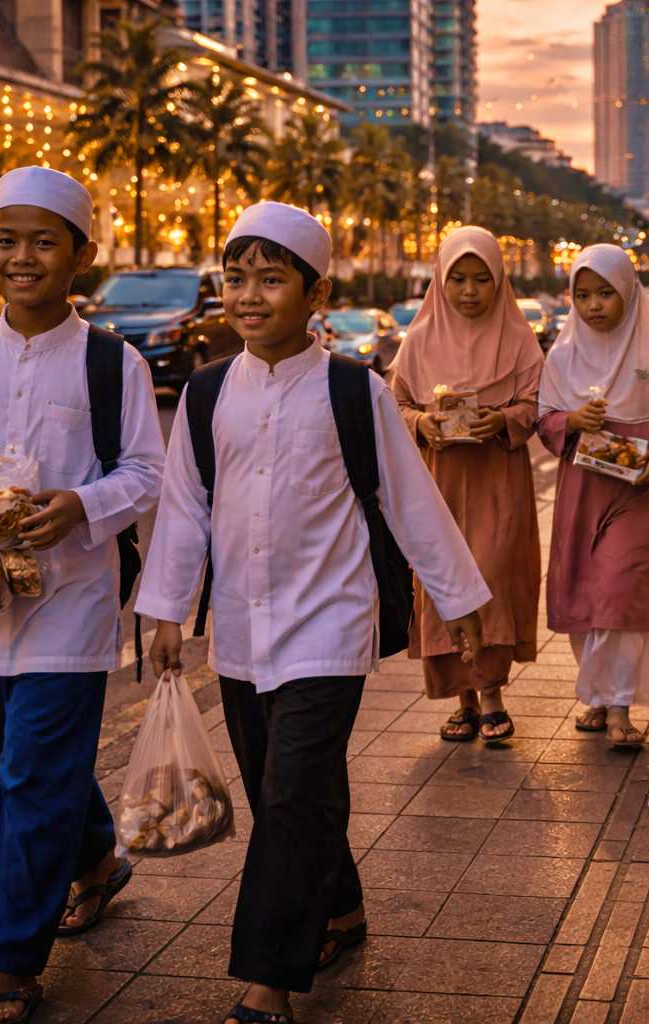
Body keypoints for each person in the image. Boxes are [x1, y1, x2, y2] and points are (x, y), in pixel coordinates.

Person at [136, 201, 491, 1024]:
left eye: (270, 278)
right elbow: (184, 509)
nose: (250, 296)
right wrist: (163, 611)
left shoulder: (351, 390)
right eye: (237, 278)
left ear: (314, 291)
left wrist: (461, 598)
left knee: (294, 792)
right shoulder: (206, 393)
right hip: (238, 629)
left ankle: (269, 981)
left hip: (330, 624)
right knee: (281, 793)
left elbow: (411, 501)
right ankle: (340, 910)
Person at [0, 166, 165, 1023]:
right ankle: (95, 860)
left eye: (43, 241)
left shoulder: (109, 360)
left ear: (80, 254)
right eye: (6, 239)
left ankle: (6, 961)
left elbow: (146, 473)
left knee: (30, 774)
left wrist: (80, 506)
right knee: (5, 764)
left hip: (71, 597)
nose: (22, 257)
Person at [538, 245, 649, 750]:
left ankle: (621, 704)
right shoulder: (561, 356)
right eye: (583, 295)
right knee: (586, 592)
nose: (594, 305)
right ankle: (599, 695)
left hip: (640, 491)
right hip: (583, 492)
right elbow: (545, 421)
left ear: (628, 291)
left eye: (605, 292)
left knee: (620, 593)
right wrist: (572, 422)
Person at [389, 226, 545, 743]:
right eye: (458, 279)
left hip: (498, 481)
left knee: (494, 577)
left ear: (500, 281)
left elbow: (537, 404)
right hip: (437, 485)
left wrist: (502, 422)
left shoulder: (520, 339)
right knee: (441, 583)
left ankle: (494, 691)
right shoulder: (418, 340)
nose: (471, 291)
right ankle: (463, 699)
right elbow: (395, 405)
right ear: (441, 280)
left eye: (482, 279)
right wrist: (422, 425)